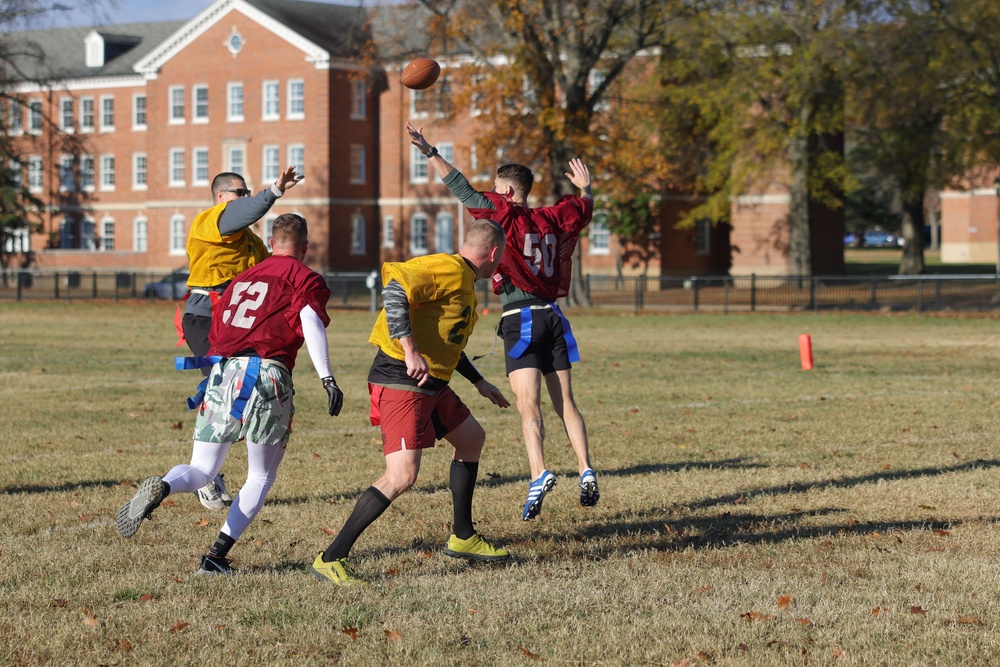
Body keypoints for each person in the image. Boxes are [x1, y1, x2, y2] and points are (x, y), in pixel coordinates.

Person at [117, 213, 344, 575]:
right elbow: (310, 321)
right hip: (267, 373)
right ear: (304, 247)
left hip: (223, 373)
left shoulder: (242, 278)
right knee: (259, 476)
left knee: (202, 469)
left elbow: (219, 326)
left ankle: (163, 486)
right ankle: (215, 557)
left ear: (270, 244)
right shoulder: (304, 276)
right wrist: (328, 377)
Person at [405, 122, 599, 522]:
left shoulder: (504, 215)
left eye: (495, 187)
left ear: (507, 192)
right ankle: (585, 467)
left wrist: (429, 151)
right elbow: (582, 207)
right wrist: (586, 187)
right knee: (567, 403)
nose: (490, 192)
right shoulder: (553, 217)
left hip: (521, 317)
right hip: (554, 316)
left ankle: (538, 471)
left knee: (529, 405)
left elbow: (460, 188)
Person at [311, 218, 511, 586]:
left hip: (431, 381)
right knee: (401, 475)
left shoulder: (465, 282)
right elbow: (394, 289)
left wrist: (479, 381)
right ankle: (331, 557)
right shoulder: (448, 267)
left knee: (471, 440)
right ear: (494, 253)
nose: (500, 266)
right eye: (501, 258)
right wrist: (409, 349)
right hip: (403, 380)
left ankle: (463, 536)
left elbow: (446, 340)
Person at [180, 166, 304, 511]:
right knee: (221, 391)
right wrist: (274, 190)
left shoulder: (249, 241)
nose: (247, 198)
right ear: (221, 198)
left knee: (245, 394)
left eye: (249, 192)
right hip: (207, 316)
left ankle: (208, 470)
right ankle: (204, 474)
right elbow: (243, 211)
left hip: (235, 322)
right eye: (240, 192)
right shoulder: (211, 220)